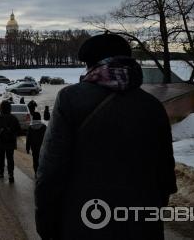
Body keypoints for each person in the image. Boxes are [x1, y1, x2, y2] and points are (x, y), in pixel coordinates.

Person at [34, 33, 177, 240]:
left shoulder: (70, 99)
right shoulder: (153, 106)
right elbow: (165, 177)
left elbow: (50, 172)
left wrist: (47, 227)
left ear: (90, 65)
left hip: (85, 223)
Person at [0, 100, 21, 183]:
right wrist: (12, 132)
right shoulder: (13, 118)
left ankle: (1, 173)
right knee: (10, 158)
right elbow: (19, 129)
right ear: (9, 108)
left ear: (1, 108)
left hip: (0, 142)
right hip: (11, 142)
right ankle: (11, 174)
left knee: (1, 157)